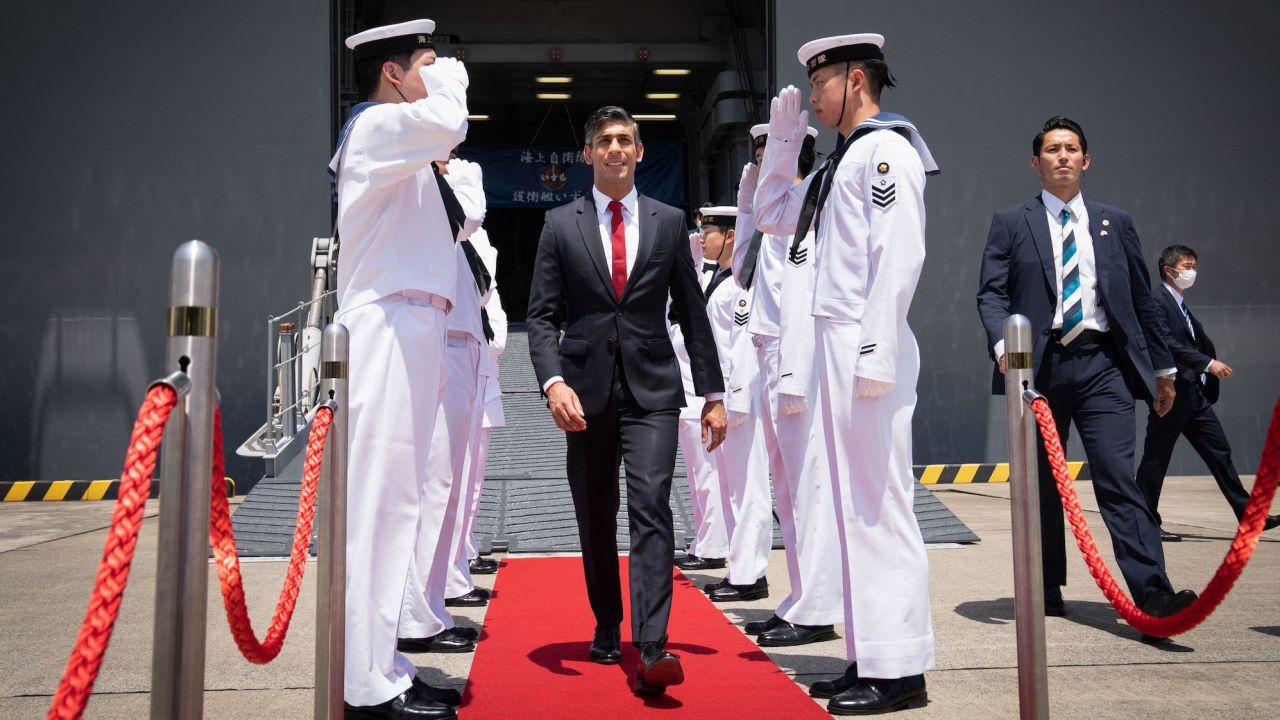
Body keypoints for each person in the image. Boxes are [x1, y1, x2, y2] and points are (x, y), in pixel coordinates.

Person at [753, 33, 936, 715]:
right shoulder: (842, 161)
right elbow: (772, 217)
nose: (814, 97)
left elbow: (899, 256)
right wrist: (779, 147)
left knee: (877, 504)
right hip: (836, 342)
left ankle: (901, 668)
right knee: (851, 506)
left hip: (864, 343)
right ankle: (871, 656)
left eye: (821, 83)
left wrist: (876, 351)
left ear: (855, 78)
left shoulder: (886, 150)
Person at [526, 105, 727, 695]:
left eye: (625, 139)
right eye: (604, 140)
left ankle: (654, 643)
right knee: (595, 515)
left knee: (651, 505)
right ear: (587, 154)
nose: (615, 148)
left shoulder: (668, 222)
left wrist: (713, 393)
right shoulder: (561, 224)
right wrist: (552, 382)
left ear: (640, 153)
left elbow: (692, 313)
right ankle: (608, 621)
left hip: (653, 390)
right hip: (583, 393)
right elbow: (539, 317)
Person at [976, 116, 1199, 633]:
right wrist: (1002, 343)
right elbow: (990, 293)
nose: (1062, 156)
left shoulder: (1113, 222)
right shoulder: (1011, 222)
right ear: (1036, 162)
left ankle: (1153, 596)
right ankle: (1045, 583)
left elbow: (1142, 299)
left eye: (1071, 148)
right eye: (1052, 149)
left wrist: (1164, 368)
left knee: (1119, 480)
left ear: (1086, 160)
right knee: (1040, 485)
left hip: (1104, 367)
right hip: (1038, 369)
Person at [327, 18, 467, 720]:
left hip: (413, 322)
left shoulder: (398, 144)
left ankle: (386, 664)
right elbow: (450, 122)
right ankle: (363, 685)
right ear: (394, 73)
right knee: (379, 508)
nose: (439, 71)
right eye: (426, 62)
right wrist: (449, 80)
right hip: (384, 323)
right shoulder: (377, 128)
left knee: (401, 504)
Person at [729, 124, 843, 646]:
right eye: (756, 157)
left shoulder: (814, 200)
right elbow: (741, 272)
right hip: (767, 352)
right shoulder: (772, 210)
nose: (760, 164)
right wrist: (749, 204)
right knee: (787, 488)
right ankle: (800, 597)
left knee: (808, 486)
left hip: (800, 354)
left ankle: (817, 605)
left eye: (770, 153)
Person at [397, 156, 489, 657]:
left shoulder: (434, 181)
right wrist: (457, 176)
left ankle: (429, 605)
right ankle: (415, 614)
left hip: (461, 344)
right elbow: (468, 215)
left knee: (446, 486)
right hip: (441, 343)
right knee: (432, 486)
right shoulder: (425, 184)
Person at [1136, 244, 1280, 540]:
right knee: (1156, 459)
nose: (1192, 272)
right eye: (1187, 266)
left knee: (1220, 453)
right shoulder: (1157, 300)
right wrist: (1207, 363)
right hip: (1172, 391)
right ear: (1169, 270)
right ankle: (1146, 523)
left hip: (1194, 395)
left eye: (1194, 266)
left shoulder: (1178, 302)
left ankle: (1250, 517)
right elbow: (1164, 342)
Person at [700, 207, 773, 603]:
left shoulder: (742, 286)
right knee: (731, 488)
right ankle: (739, 567)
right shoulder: (722, 282)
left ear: (730, 236)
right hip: (724, 398)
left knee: (748, 489)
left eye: (708, 230)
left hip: (739, 399)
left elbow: (743, 350)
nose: (703, 237)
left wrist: (734, 402)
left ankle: (751, 574)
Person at [672, 214, 731, 573]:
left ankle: (713, 545)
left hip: (706, 394)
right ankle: (705, 540)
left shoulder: (731, 284)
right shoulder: (704, 277)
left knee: (710, 477)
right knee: (698, 477)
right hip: (687, 392)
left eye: (709, 232)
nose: (702, 238)